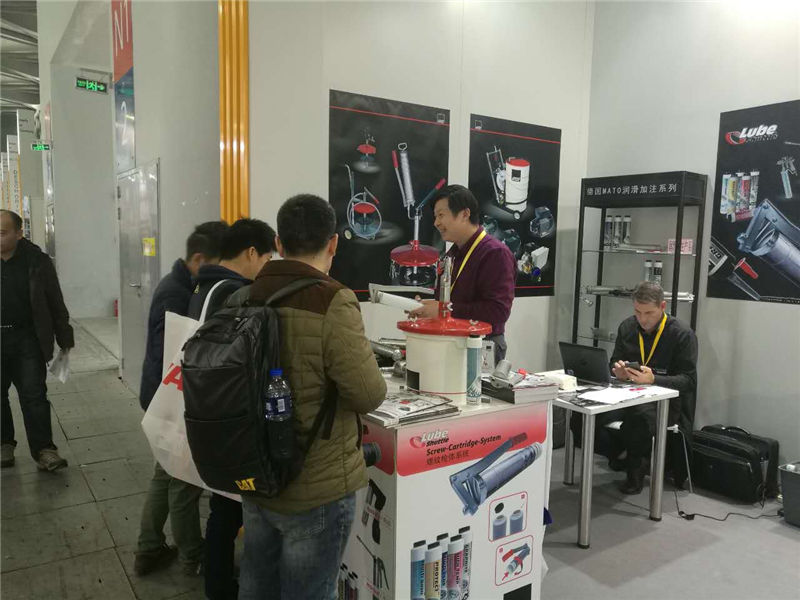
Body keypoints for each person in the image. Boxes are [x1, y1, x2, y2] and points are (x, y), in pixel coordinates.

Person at [238, 194, 386, 600]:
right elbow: (368, 394)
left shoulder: (246, 295)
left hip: (257, 473)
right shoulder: (332, 299)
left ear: (279, 243)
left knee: (256, 584)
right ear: (333, 243)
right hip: (316, 486)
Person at [186, 218, 277, 600]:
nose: (267, 267)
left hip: (207, 408)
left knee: (222, 508)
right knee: (228, 511)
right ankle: (222, 588)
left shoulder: (204, 286)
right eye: (267, 258)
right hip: (229, 414)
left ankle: (218, 583)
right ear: (252, 252)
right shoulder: (233, 292)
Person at [134, 220, 229, 576]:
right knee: (184, 481)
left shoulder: (181, 285)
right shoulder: (178, 294)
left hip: (163, 394)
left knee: (164, 474)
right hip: (173, 397)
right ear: (200, 259)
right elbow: (173, 354)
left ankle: (148, 548)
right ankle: (192, 555)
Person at [574, 281, 698, 494]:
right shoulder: (627, 327)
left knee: (637, 422)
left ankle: (636, 470)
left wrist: (654, 379)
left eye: (649, 313)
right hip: (625, 393)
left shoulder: (682, 334)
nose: (643, 319)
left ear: (662, 306)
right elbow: (614, 362)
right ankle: (617, 452)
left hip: (663, 401)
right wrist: (618, 371)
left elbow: (688, 381)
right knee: (580, 416)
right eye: (638, 312)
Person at [409, 184, 516, 362]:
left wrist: (443, 310)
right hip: (452, 343)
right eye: (435, 217)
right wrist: (428, 309)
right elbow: (450, 302)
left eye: (441, 215)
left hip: (480, 347)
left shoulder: (495, 253)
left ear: (465, 214)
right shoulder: (452, 254)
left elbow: (498, 311)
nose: (436, 223)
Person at [0, 209, 72, 471]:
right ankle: (3, 444)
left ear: (19, 233)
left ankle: (44, 450)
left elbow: (55, 300)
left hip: (26, 339)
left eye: (2, 232)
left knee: (34, 395)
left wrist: (64, 338)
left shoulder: (37, 261)